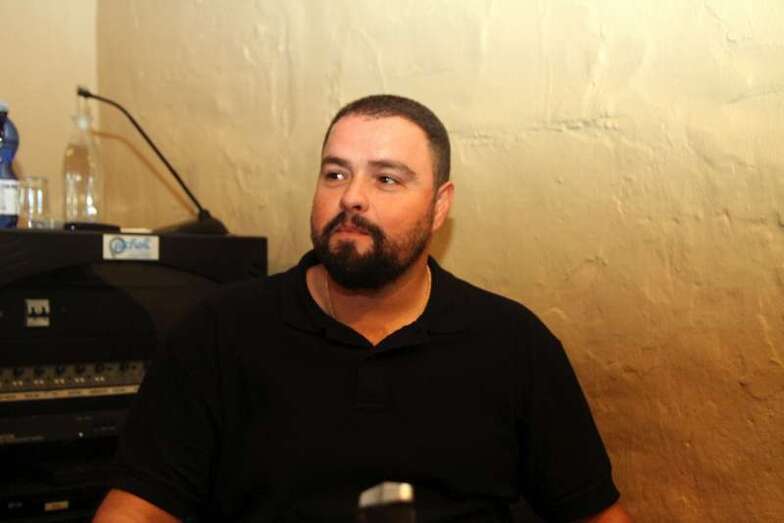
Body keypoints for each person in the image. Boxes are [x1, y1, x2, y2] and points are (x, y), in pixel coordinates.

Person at [94, 95, 632, 522]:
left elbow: (593, 512)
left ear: (440, 205)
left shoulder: (513, 343)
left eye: (386, 178)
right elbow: (137, 510)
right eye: (335, 174)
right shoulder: (218, 333)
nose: (351, 197)